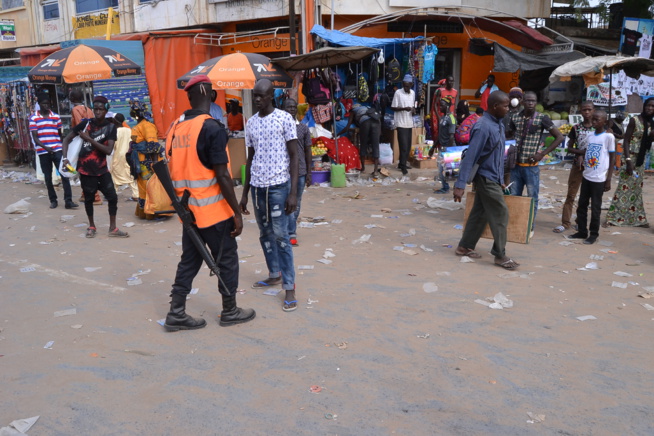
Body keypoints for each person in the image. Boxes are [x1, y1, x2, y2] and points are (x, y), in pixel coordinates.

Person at [163, 75, 255, 331]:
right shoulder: (212, 127)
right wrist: (236, 212)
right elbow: (223, 174)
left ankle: (176, 312)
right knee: (226, 259)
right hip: (213, 211)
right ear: (212, 96)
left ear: (190, 97)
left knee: (189, 260)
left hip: (187, 211)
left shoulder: (175, 128)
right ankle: (230, 310)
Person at [240, 79, 299, 312]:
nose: (256, 100)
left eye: (260, 96)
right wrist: (244, 194)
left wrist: (293, 192)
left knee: (281, 236)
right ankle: (274, 273)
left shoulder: (285, 119)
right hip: (257, 188)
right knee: (265, 234)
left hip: (278, 187)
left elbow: (295, 156)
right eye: (254, 96)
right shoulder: (251, 123)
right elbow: (250, 157)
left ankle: (290, 286)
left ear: (270, 97)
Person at [453, 91, 519, 270]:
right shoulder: (482, 126)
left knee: (480, 213)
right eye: (505, 106)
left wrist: (500, 180)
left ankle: (464, 246)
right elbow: (471, 157)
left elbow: (496, 157)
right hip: (484, 178)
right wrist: (460, 185)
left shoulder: (498, 124)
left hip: (492, 178)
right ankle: (499, 255)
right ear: (495, 106)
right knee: (500, 212)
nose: (508, 109)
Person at [62, 96, 128, 238]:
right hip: (86, 171)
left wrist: (89, 139)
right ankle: (91, 226)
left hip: (102, 170)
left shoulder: (110, 128)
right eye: (96, 109)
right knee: (88, 199)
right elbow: (66, 140)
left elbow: (108, 150)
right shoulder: (85, 124)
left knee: (112, 197)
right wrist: (65, 158)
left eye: (101, 109)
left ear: (106, 110)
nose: (98, 112)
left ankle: (113, 228)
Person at [508, 91, 564, 228]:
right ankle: (515, 225)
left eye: (533, 101)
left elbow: (559, 137)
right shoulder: (515, 118)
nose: (531, 103)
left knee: (532, 197)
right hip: (515, 166)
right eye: (528, 101)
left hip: (531, 167)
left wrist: (542, 154)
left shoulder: (542, 118)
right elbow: (509, 135)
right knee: (514, 197)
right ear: (522, 102)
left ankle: (528, 227)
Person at [604, 98, 654, 227]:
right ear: (644, 106)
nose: (650, 108)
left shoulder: (651, 123)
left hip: (641, 159)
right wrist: (628, 160)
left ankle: (637, 219)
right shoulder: (635, 120)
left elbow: (649, 139)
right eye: (648, 105)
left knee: (636, 189)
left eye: (653, 107)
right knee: (624, 187)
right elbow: (626, 140)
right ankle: (613, 217)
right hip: (630, 157)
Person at [568, 109, 615, 244]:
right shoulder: (590, 136)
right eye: (593, 119)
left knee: (595, 208)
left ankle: (593, 234)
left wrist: (608, 179)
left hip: (599, 178)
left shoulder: (608, 137)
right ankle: (582, 231)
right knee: (582, 205)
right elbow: (588, 152)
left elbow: (612, 158)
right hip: (587, 175)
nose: (593, 122)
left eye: (596, 120)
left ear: (604, 122)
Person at [29, 93, 78, 210]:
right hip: (43, 151)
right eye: (44, 104)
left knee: (64, 174)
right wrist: (46, 147)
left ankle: (68, 201)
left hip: (57, 149)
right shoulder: (33, 118)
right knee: (47, 177)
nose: (46, 106)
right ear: (39, 104)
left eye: (48, 104)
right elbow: (35, 137)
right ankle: (53, 200)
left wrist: (61, 148)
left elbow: (60, 134)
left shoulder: (55, 116)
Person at [553, 101, 595, 233]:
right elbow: (570, 148)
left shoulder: (599, 128)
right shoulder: (576, 128)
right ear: (580, 112)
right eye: (584, 110)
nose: (587, 112)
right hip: (578, 165)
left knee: (586, 197)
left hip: (593, 167)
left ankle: (580, 222)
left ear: (593, 110)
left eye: (589, 109)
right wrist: (582, 153)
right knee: (571, 194)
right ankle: (565, 223)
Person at [283, 98, 312, 247]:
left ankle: (291, 231)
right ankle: (287, 232)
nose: (292, 109)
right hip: (282, 171)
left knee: (296, 202)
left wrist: (309, 172)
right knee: (285, 201)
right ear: (283, 109)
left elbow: (308, 151)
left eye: (294, 107)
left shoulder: (303, 129)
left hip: (300, 171)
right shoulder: (278, 127)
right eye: (288, 107)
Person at [130, 106, 164, 220]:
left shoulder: (147, 126)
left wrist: (155, 164)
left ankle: (154, 212)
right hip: (140, 160)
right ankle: (146, 211)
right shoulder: (139, 125)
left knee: (150, 185)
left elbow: (153, 144)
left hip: (148, 161)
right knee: (143, 185)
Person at [70, 88, 102, 206]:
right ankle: (86, 194)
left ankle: (95, 196)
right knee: (85, 169)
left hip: (82, 140)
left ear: (72, 98)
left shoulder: (75, 109)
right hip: (91, 139)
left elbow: (80, 126)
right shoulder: (88, 109)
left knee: (85, 169)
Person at [338, 103, 382, 176]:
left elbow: (347, 128)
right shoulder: (367, 107)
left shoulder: (353, 111)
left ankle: (363, 168)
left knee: (363, 144)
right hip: (376, 122)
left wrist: (337, 134)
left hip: (365, 123)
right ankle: (375, 171)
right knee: (375, 146)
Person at [108, 113, 138, 202]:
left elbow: (112, 146)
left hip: (118, 155)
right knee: (130, 174)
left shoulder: (115, 132)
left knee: (114, 175)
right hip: (129, 155)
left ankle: (113, 193)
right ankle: (136, 194)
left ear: (115, 121)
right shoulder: (129, 130)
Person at [391, 74, 416, 176]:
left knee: (408, 145)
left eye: (408, 86)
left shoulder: (413, 93)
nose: (406, 88)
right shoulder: (398, 93)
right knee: (403, 145)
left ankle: (403, 163)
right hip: (400, 122)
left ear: (411, 84)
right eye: (404, 86)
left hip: (409, 122)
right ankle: (403, 166)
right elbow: (393, 107)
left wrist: (413, 110)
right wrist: (404, 108)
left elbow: (413, 106)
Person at [430, 97, 456, 194]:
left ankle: (447, 188)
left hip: (448, 148)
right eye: (439, 105)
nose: (440, 107)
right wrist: (433, 147)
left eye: (442, 105)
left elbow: (451, 136)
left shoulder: (451, 118)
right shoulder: (442, 118)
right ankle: (446, 186)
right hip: (442, 147)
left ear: (448, 106)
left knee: (446, 170)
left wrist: (448, 151)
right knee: (441, 169)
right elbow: (439, 135)